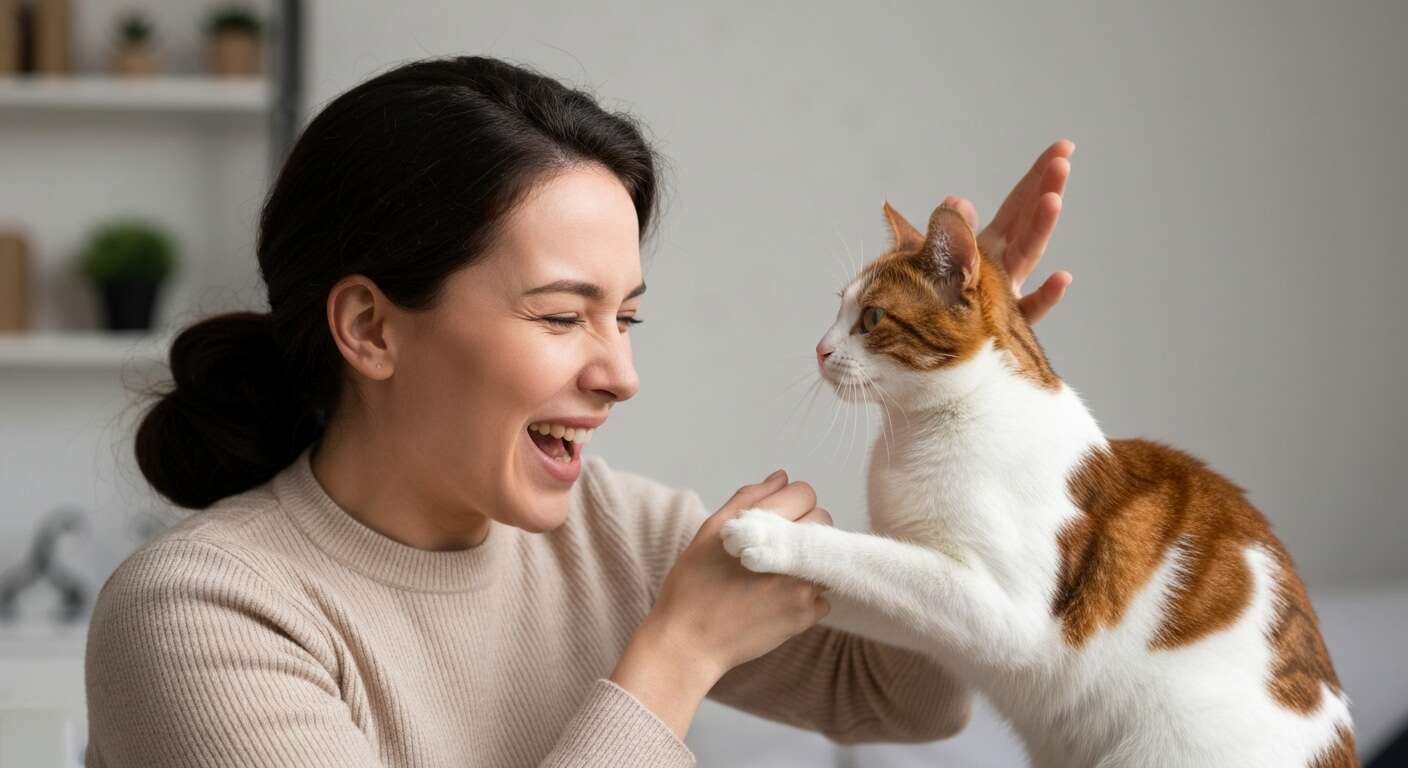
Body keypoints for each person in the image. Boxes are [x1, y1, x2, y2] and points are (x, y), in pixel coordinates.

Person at [83, 55, 1073, 767]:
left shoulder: (619, 536)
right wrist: (675, 656)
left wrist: (937, 392)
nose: (619, 374)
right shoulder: (201, 615)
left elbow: (912, 694)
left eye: (627, 317)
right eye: (563, 316)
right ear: (370, 329)